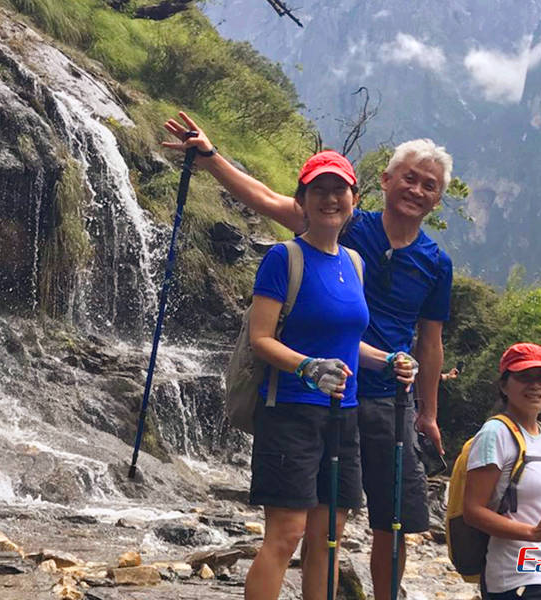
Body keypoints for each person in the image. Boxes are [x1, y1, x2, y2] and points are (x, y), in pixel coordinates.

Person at [163, 112, 453, 599]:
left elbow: (431, 341)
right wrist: (210, 160)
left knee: (386, 520)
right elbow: (265, 198)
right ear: (383, 182)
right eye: (409, 178)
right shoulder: (341, 225)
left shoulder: (426, 262)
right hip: (307, 398)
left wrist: (428, 411)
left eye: (429, 184)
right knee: (300, 529)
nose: (417, 190)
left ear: (438, 197)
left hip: (379, 398)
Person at [240, 150, 415, 600]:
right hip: (290, 412)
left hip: (344, 416)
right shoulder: (285, 258)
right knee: (286, 534)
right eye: (318, 189)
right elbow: (262, 338)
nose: (330, 198)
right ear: (302, 199)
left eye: (339, 189)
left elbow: (343, 342)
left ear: (354, 200)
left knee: (328, 539)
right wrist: (306, 367)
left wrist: (387, 359)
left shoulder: (353, 263)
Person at [463, 343, 541, 599]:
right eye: (524, 376)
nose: (535, 385)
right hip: (514, 577)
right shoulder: (495, 434)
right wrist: (532, 533)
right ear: (504, 385)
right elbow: (473, 511)